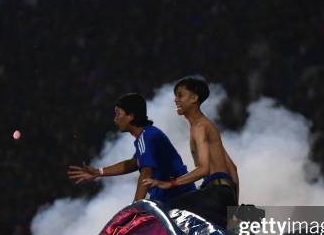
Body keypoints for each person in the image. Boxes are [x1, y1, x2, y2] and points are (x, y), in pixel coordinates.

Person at [142, 76, 239, 227]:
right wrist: (234, 208)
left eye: (180, 95)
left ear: (194, 98)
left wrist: (170, 183)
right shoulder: (207, 125)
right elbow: (232, 168)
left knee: (163, 212)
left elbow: (204, 169)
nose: (176, 100)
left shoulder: (199, 127)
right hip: (223, 194)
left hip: (215, 193)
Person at [67, 93, 195, 202]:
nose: (115, 119)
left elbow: (146, 173)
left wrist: (136, 208)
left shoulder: (147, 136)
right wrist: (99, 172)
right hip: (173, 199)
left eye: (118, 114)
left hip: (179, 199)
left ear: (131, 116)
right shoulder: (146, 135)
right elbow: (134, 163)